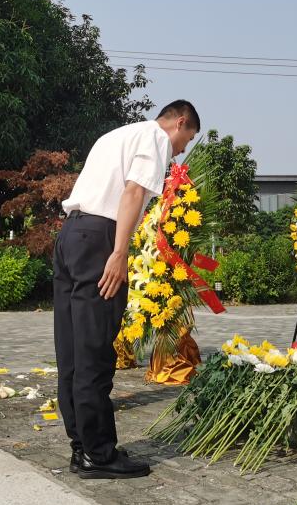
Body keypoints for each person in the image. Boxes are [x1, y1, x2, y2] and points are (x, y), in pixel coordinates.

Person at [55, 100, 200, 479]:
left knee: (71, 351)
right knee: (93, 351)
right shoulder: (154, 138)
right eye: (186, 140)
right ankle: (99, 454)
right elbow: (133, 192)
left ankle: (82, 447)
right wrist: (119, 253)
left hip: (70, 236)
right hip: (98, 239)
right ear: (180, 122)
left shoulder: (116, 135)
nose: (181, 150)